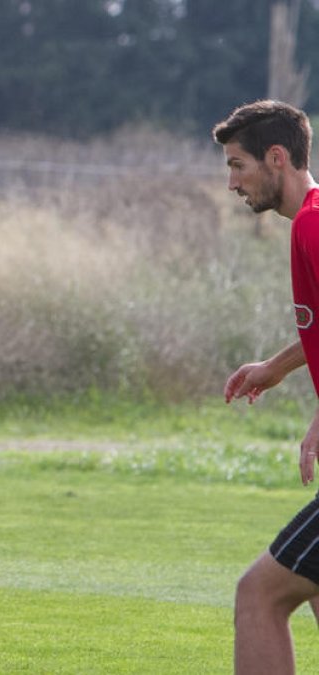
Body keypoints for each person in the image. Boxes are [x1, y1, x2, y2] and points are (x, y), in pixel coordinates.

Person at [216, 99, 319, 673]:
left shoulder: (312, 222)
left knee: (259, 596)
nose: (232, 182)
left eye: (238, 165)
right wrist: (277, 369)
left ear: (276, 157)